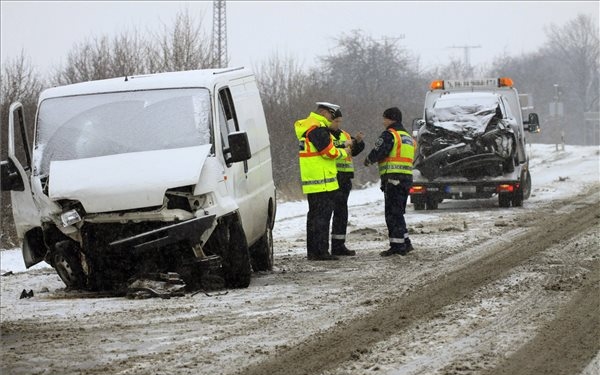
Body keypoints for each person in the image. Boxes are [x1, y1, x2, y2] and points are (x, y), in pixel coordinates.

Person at [294, 102, 350, 261]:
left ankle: (313, 251)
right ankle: (321, 251)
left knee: (314, 217)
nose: (333, 117)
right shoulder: (318, 129)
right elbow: (328, 152)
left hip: (313, 180)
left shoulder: (308, 128)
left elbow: (321, 148)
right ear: (325, 113)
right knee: (322, 218)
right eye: (332, 114)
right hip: (323, 181)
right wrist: (344, 152)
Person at [363, 107, 415, 256]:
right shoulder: (407, 136)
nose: (383, 121)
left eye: (384, 118)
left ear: (390, 119)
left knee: (392, 214)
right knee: (398, 212)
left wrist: (368, 160)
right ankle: (405, 242)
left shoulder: (389, 134)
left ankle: (397, 247)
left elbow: (380, 151)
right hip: (406, 178)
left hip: (393, 178)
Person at [329, 109, 365, 256]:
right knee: (327, 213)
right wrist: (345, 145)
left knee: (341, 213)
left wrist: (358, 142)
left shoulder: (344, 134)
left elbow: (354, 150)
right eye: (335, 121)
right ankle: (325, 247)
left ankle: (339, 245)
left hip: (345, 178)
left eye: (339, 121)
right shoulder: (325, 135)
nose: (338, 124)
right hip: (332, 177)